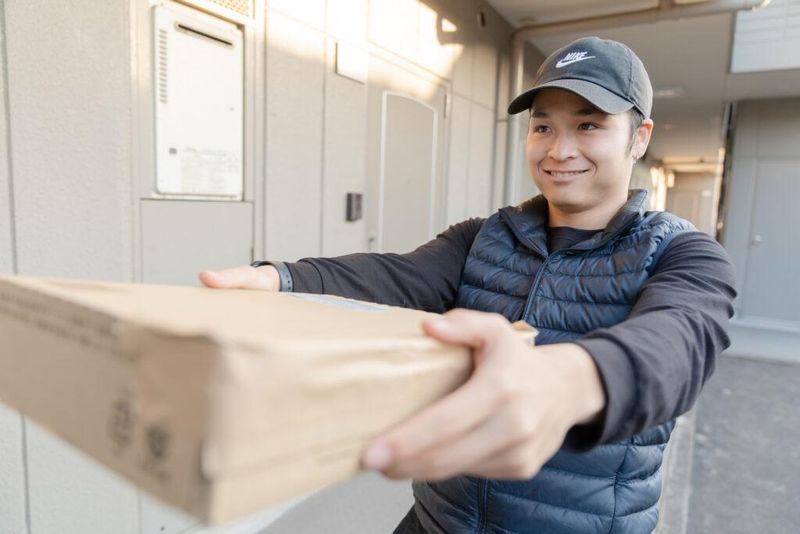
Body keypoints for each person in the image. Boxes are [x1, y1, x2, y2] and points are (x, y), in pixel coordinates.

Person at [199, 36, 736, 533]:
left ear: (639, 138)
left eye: (589, 125)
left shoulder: (681, 253)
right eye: (543, 127)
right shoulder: (484, 237)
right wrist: (282, 279)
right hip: (440, 520)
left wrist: (572, 380)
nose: (559, 150)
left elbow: (680, 343)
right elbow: (395, 276)